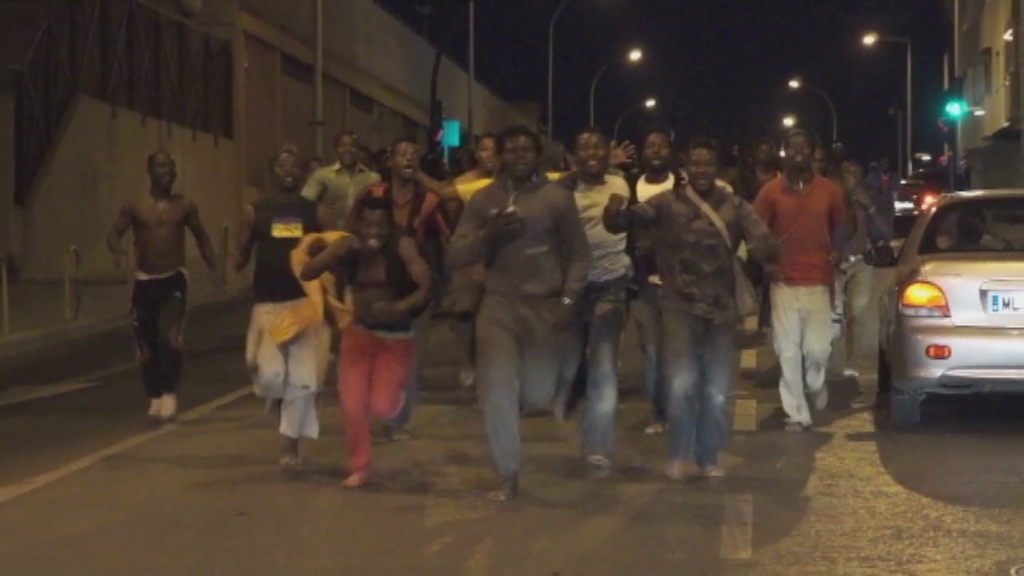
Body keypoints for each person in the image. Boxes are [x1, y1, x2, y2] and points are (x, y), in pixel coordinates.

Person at [605, 138, 779, 478]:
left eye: (708, 164)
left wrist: (767, 251)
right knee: (681, 385)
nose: (701, 170)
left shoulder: (734, 205)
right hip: (678, 308)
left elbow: (762, 239)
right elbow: (623, 222)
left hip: (721, 309)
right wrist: (613, 211)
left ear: (718, 169)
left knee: (716, 391)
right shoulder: (665, 203)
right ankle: (681, 453)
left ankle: (708, 456)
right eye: (695, 163)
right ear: (685, 167)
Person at [447, 124, 591, 501]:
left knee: (538, 394)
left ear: (537, 154)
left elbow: (579, 254)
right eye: (511, 150)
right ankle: (507, 474)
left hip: (544, 307)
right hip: (498, 306)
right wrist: (489, 235)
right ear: (500, 155)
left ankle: (554, 396)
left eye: (526, 149)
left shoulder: (557, 197)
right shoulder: (483, 200)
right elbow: (455, 255)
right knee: (497, 390)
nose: (519, 156)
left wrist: (568, 299)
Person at [300, 194, 431, 488]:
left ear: (390, 226)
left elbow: (424, 287)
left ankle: (395, 401)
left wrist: (398, 307)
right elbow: (307, 272)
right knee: (352, 406)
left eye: (380, 226)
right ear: (358, 224)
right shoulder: (349, 244)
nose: (373, 232)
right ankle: (360, 466)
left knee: (382, 408)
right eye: (367, 225)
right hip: (358, 336)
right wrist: (333, 252)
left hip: (394, 339)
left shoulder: (403, 246)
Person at [347, 137, 459, 441]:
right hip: (373, 289)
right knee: (369, 352)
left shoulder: (429, 201)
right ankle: (372, 406)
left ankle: (396, 421)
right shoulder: (371, 194)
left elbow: (449, 238)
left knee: (408, 360)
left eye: (413, 154)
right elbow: (349, 232)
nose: (408, 158)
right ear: (390, 161)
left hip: (413, 292)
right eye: (402, 154)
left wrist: (448, 280)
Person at [106, 151, 220, 420]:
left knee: (168, 339)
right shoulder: (135, 205)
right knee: (146, 346)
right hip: (144, 283)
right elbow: (114, 233)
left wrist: (215, 269)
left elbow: (202, 237)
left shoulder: (185, 206)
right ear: (149, 171)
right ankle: (154, 394)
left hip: (173, 281)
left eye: (170, 166)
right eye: (160, 166)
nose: (167, 171)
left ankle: (169, 391)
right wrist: (119, 252)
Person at [236, 147, 332, 467]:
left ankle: (290, 446)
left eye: (294, 165)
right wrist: (235, 257)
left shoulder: (316, 213)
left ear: (303, 171)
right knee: (267, 374)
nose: (289, 171)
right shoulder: (255, 212)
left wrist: (333, 298)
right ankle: (276, 397)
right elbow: (241, 253)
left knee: (301, 381)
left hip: (304, 304)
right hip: (268, 306)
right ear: (272, 171)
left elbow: (332, 253)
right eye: (281, 165)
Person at [753, 130, 847, 432]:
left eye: (803, 147)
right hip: (784, 282)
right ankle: (796, 413)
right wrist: (768, 264)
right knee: (788, 350)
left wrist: (838, 248)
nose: (797, 153)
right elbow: (755, 231)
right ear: (784, 153)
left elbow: (842, 223)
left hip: (819, 280)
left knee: (818, 350)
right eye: (792, 147)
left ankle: (815, 383)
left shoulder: (829, 189)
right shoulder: (770, 192)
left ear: (812, 152)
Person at [553, 127, 631, 474]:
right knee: (569, 364)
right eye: (584, 148)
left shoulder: (619, 184)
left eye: (598, 147)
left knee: (604, 367)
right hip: (571, 288)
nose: (592, 153)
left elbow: (620, 219)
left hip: (611, 286)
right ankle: (569, 394)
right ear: (574, 156)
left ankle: (597, 445)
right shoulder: (561, 192)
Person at [625, 128, 681, 434]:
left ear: (671, 151)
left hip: (678, 285)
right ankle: (658, 414)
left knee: (679, 351)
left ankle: (680, 409)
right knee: (651, 351)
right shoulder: (630, 185)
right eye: (650, 145)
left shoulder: (683, 186)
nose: (656, 150)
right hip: (642, 284)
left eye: (662, 145)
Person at [301, 131, 381, 229]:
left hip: (361, 232)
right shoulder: (322, 175)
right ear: (336, 149)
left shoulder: (373, 178)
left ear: (358, 150)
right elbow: (306, 203)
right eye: (342, 146)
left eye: (352, 146)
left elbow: (378, 208)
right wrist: (320, 210)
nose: (347, 150)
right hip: (330, 232)